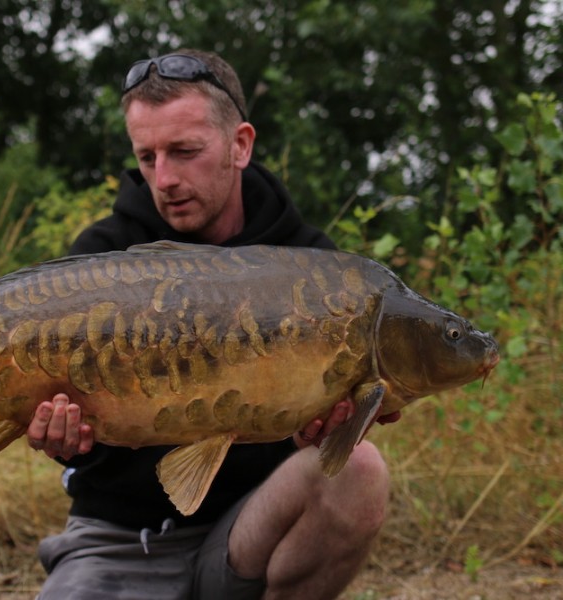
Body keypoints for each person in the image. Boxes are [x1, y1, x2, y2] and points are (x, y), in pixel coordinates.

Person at [26, 49, 400, 600]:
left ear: (240, 144)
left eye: (185, 152)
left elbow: (323, 448)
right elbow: (78, 444)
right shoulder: (103, 259)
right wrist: (65, 440)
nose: (165, 178)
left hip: (248, 537)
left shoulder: (312, 270)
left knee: (361, 470)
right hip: (123, 541)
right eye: (147, 156)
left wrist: (317, 434)